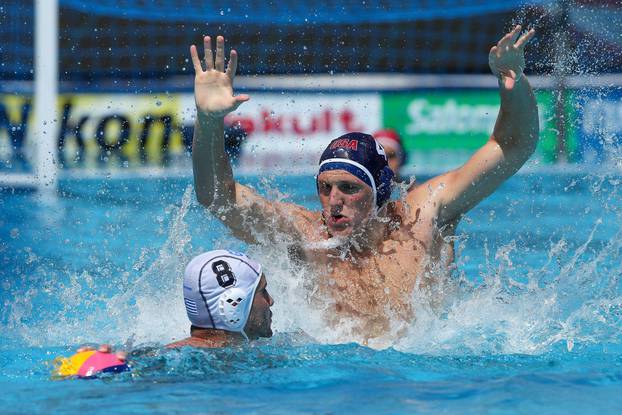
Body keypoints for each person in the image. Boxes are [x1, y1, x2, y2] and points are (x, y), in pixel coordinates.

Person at [190, 26, 538, 341]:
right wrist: (208, 120)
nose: (333, 201)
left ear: (380, 193)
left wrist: (514, 82)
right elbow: (218, 198)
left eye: (349, 188)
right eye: (325, 187)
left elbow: (512, 146)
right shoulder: (304, 236)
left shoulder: (424, 218)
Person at [74, 250, 274, 365]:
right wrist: (104, 365)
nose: (271, 301)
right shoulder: (186, 355)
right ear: (234, 304)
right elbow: (140, 366)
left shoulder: (224, 350)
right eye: (263, 291)